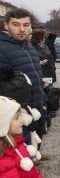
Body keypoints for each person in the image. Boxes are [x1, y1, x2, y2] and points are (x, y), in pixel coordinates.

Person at [0, 8, 46, 145]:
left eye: (26, 25)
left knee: (35, 149)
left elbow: (35, 76)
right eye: (16, 24)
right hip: (17, 117)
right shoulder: (2, 48)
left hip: (36, 111)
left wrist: (43, 101)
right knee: (20, 158)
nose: (22, 29)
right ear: (6, 26)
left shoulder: (29, 47)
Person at [0, 96, 52, 178]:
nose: (22, 120)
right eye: (17, 117)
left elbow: (34, 174)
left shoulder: (18, 144)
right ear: (3, 124)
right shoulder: (4, 160)